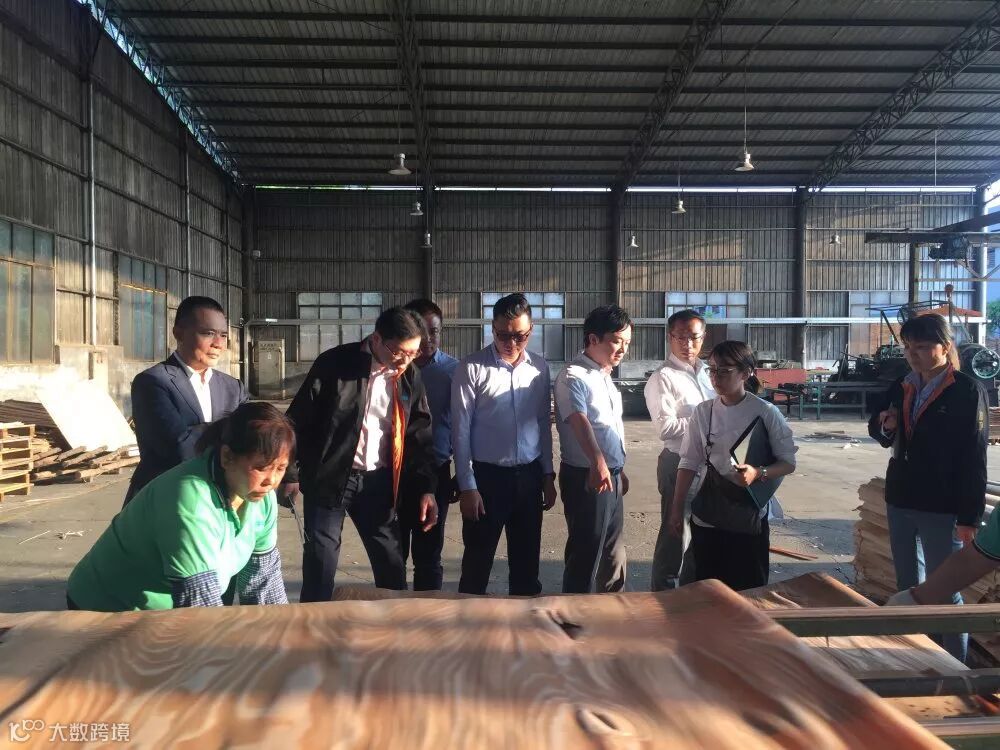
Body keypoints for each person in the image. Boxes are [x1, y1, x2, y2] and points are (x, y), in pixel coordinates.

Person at [67, 402, 292, 611]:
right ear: (226, 457)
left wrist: (276, 631)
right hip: (108, 606)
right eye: (261, 467)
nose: (271, 480)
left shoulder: (262, 499)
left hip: (172, 609)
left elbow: (263, 581)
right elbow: (199, 605)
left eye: (280, 468)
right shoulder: (190, 497)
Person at [280, 307, 438, 602]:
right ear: (376, 339)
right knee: (320, 564)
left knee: (391, 566)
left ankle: (392, 625)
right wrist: (289, 473)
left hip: (378, 482)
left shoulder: (409, 375)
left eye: (413, 353)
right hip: (329, 478)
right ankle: (314, 624)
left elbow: (419, 436)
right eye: (400, 352)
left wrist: (426, 487)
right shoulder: (335, 364)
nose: (405, 360)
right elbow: (298, 420)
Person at [869, 313, 988, 662]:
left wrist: (969, 516)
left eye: (921, 347)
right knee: (908, 586)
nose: (912, 355)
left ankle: (955, 667)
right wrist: (886, 426)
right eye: (908, 347)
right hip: (901, 498)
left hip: (941, 504)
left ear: (945, 347)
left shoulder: (966, 391)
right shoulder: (902, 384)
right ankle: (920, 657)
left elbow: (974, 456)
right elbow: (876, 428)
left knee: (944, 588)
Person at [669, 341, 796, 592]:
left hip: (747, 519)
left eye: (724, 370)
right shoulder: (703, 412)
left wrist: (758, 473)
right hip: (708, 515)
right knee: (709, 591)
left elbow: (788, 462)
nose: (716, 377)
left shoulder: (765, 412)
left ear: (746, 373)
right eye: (712, 370)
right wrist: (677, 507)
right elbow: (689, 461)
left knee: (748, 591)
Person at [452, 292, 557, 595]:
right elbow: (461, 431)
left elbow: (542, 424)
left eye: (520, 336)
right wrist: (467, 486)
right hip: (487, 479)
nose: (512, 343)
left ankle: (524, 620)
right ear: (492, 329)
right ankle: (471, 621)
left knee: (526, 566)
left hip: (529, 477)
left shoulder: (539, 368)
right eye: (503, 335)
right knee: (477, 563)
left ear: (531, 330)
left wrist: (547, 475)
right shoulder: (472, 368)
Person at [125, 296, 248, 505]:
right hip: (165, 500)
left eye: (223, 335)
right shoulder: (152, 382)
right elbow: (179, 448)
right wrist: (228, 431)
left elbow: (250, 440)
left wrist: (199, 431)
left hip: (217, 501)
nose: (218, 344)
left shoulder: (232, 387)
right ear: (179, 333)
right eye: (208, 333)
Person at [554, 305, 632, 594]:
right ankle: (576, 612)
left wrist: (618, 469)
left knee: (613, 551)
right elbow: (579, 420)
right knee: (586, 553)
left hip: (610, 475)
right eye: (617, 341)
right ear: (593, 339)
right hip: (586, 477)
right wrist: (598, 463)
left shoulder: (604, 375)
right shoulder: (573, 376)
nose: (623, 349)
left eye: (627, 342)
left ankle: (610, 610)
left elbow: (609, 428)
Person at [644, 309, 715, 591]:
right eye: (680, 337)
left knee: (701, 536)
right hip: (679, 463)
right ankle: (663, 597)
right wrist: (708, 420)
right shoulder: (663, 378)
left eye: (694, 338)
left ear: (703, 337)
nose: (688, 344)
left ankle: (690, 596)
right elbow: (666, 428)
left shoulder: (708, 372)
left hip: (710, 465)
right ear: (669, 337)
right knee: (675, 535)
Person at [399, 298, 460, 590]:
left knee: (429, 555)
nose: (428, 339)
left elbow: (463, 425)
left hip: (436, 471)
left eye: (434, 332)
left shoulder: (454, 372)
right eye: (421, 332)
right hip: (394, 471)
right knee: (392, 554)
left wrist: (464, 473)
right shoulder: (394, 367)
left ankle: (428, 613)